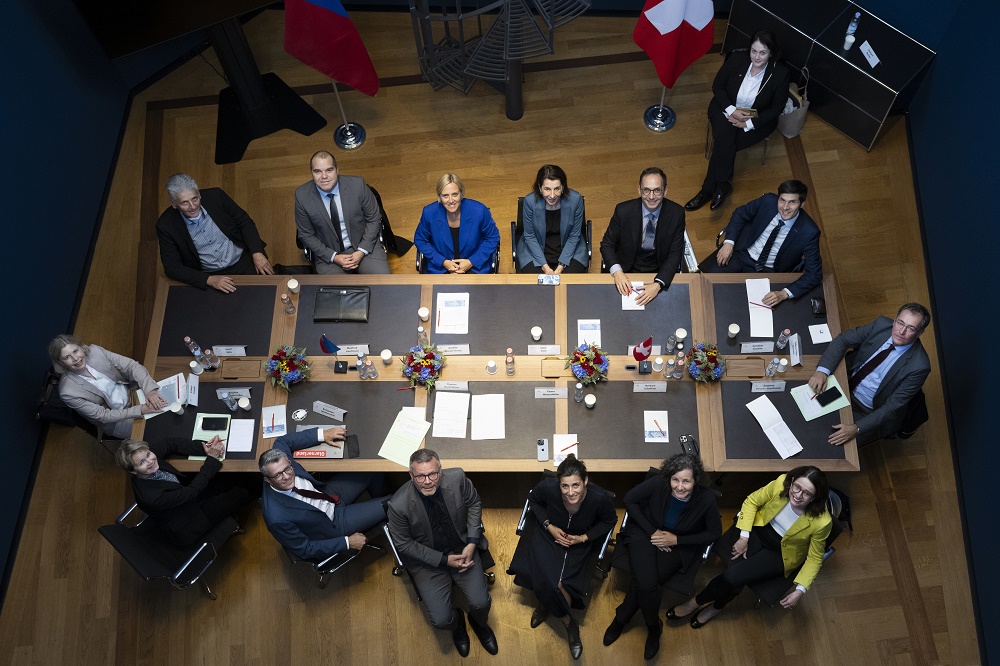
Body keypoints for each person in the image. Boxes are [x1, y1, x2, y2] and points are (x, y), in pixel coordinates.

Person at [671, 466, 832, 628]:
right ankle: (717, 607)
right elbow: (752, 501)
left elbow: (815, 558)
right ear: (792, 482)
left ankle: (696, 602)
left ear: (815, 497)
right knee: (735, 580)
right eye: (797, 487)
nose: (797, 495)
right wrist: (744, 536)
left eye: (807, 493)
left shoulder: (822, 522)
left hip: (780, 552)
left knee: (731, 577)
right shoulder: (781, 483)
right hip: (759, 530)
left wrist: (800, 590)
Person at [603, 453, 721, 660]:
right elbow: (630, 499)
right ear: (669, 478)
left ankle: (622, 618)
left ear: (696, 480)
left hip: (678, 544)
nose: (679, 486)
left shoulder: (706, 499)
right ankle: (653, 627)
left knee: (645, 583)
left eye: (686, 481)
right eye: (675, 479)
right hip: (645, 533)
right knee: (647, 584)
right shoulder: (660, 483)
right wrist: (652, 532)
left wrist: (676, 540)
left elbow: (714, 533)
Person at [387, 449, 498, 658]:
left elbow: (474, 503)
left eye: (433, 474)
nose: (428, 481)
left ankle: (477, 622)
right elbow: (404, 545)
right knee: (441, 621)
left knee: (482, 603)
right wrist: (444, 560)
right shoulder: (398, 505)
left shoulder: (457, 478)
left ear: (440, 470)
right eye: (420, 476)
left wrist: (472, 542)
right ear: (411, 475)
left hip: (463, 550)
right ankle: (458, 624)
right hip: (430, 562)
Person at [513, 455, 617, 660]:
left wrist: (583, 538)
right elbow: (533, 500)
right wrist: (548, 526)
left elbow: (609, 520)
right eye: (565, 487)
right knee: (551, 580)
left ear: (586, 480)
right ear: (558, 484)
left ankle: (546, 605)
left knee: (560, 583)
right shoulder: (547, 487)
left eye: (576, 485)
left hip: (578, 540)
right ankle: (570, 624)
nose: (571, 493)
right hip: (549, 535)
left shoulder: (599, 498)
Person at [684, 30, 791, 212]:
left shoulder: (780, 74)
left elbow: (776, 109)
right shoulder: (737, 59)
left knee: (723, 145)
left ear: (771, 53)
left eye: (762, 53)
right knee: (726, 142)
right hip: (724, 108)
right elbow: (717, 87)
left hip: (756, 119)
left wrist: (747, 123)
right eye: (754, 51)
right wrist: (732, 110)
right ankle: (721, 186)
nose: (756, 57)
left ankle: (708, 189)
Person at [259, 427, 390, 561]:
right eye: (278, 475)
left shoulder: (280, 462)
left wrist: (322, 434)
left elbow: (282, 440)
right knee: (392, 503)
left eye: (287, 468)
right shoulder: (276, 519)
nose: (286, 476)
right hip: (334, 523)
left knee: (372, 469)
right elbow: (305, 549)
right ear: (267, 479)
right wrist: (347, 542)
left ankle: (383, 508)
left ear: (288, 461)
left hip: (328, 494)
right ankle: (389, 509)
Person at [809, 303, 931, 446]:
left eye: (910, 328)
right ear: (895, 319)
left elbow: (892, 407)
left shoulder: (919, 366)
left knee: (828, 445)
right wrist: (822, 371)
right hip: (843, 385)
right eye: (900, 323)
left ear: (920, 332)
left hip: (867, 411)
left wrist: (856, 427)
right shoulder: (881, 325)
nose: (901, 331)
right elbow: (844, 339)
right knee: (805, 415)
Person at [699, 180, 822, 306]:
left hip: (767, 271)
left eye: (792, 202)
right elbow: (740, 214)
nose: (785, 207)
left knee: (742, 305)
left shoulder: (809, 232)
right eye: (782, 200)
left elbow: (815, 274)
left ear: (802, 204)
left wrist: (783, 294)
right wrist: (729, 242)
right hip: (742, 254)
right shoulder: (767, 201)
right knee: (706, 285)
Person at [115, 436, 251, 545]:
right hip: (189, 521)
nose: (150, 461)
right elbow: (192, 492)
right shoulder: (152, 497)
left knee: (231, 476)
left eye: (149, 454)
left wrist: (204, 448)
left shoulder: (147, 457)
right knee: (241, 492)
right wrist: (212, 459)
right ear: (132, 471)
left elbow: (170, 442)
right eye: (141, 463)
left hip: (185, 494)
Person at [155, 173, 273, 292]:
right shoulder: (165, 225)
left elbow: (244, 221)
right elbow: (172, 267)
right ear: (174, 204)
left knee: (269, 292)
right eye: (184, 203)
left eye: (194, 199)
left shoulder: (216, 196)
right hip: (211, 274)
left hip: (243, 260)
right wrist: (209, 280)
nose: (192, 206)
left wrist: (257, 252)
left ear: (199, 194)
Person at [50, 334, 167, 439]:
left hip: (132, 391)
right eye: (67, 357)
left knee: (167, 409)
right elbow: (103, 416)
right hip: (118, 420)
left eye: (75, 351)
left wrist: (150, 391)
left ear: (81, 347)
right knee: (157, 431)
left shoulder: (95, 352)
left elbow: (132, 366)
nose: (75, 359)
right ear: (60, 363)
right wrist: (140, 410)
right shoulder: (68, 392)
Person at [293, 151, 391, 274]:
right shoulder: (302, 196)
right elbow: (306, 235)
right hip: (329, 255)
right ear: (311, 172)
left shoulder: (357, 185)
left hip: (364, 246)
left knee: (384, 286)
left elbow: (374, 218)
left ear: (337, 170)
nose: (324, 176)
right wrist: (333, 257)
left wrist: (362, 250)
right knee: (335, 293)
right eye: (317, 171)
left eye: (329, 170)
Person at [599, 167, 686, 305]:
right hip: (625, 269)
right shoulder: (623, 211)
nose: (651, 197)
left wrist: (658, 284)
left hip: (659, 271)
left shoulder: (677, 213)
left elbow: (675, 254)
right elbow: (607, 244)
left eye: (657, 190)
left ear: (665, 191)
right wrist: (617, 272)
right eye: (646, 190)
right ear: (639, 190)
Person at [414, 173, 501, 274]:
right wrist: (443, 262)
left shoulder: (480, 211)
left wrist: (471, 262)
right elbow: (420, 240)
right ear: (439, 197)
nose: (451, 200)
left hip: (474, 267)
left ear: (461, 193)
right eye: (445, 196)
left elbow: (493, 237)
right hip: (441, 269)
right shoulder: (429, 213)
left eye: (455, 194)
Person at [515, 165, 589, 274]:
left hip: (569, 249)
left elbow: (574, 235)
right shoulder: (529, 201)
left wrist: (561, 266)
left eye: (557, 189)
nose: (552, 195)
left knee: (570, 285)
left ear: (563, 187)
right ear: (540, 188)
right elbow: (530, 236)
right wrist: (545, 266)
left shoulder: (575, 199)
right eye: (547, 189)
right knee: (535, 287)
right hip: (536, 250)